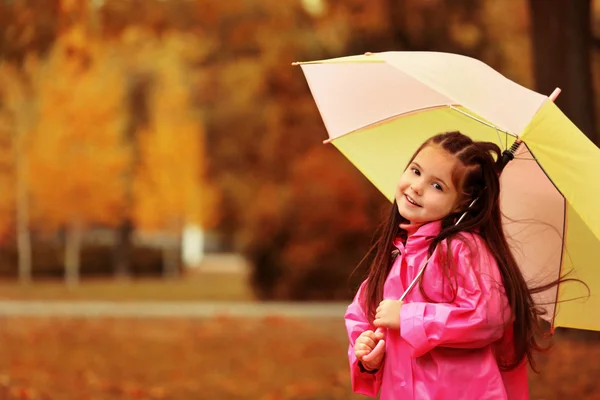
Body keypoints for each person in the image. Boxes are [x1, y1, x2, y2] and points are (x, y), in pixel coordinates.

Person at [345, 131, 552, 400]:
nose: (417, 187)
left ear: (464, 202)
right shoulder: (396, 253)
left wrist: (408, 317)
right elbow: (363, 313)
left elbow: (487, 316)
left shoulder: (461, 249)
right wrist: (366, 355)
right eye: (416, 171)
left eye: (437, 186)